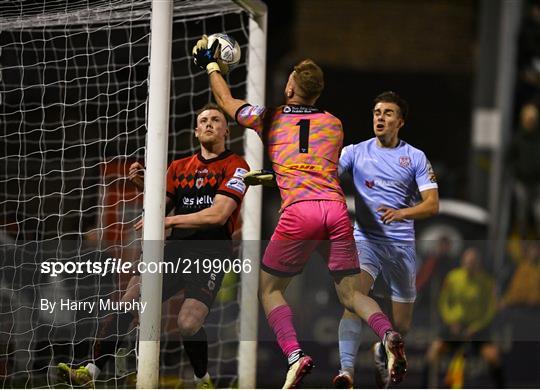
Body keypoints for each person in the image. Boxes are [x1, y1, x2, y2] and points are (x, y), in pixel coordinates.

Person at [193, 37, 406, 388]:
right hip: (336, 210)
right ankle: (387, 335)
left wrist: (212, 65)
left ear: (290, 86)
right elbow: (313, 163)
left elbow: (227, 101)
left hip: (300, 213)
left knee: (270, 289)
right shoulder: (334, 124)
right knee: (351, 294)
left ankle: (294, 356)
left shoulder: (270, 117)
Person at [57, 103, 250, 388]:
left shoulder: (237, 165)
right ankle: (90, 372)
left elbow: (218, 214)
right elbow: (161, 206)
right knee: (127, 303)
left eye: (216, 120)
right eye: (203, 120)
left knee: (187, 323)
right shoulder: (178, 167)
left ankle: (203, 380)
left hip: (211, 252)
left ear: (226, 129)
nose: (209, 124)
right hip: (174, 250)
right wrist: (143, 186)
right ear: (196, 132)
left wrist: (170, 222)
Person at [334, 91, 439, 388]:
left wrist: (402, 212)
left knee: (402, 324)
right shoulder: (355, 152)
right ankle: (346, 371)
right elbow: (327, 176)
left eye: (388, 113)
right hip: (365, 240)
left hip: (401, 246)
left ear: (400, 122)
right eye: (377, 112)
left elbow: (432, 204)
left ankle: (381, 349)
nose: (380, 117)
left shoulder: (415, 157)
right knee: (353, 298)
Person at [422, 247, 505, 388]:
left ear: (479, 263)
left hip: (477, 330)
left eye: (473, 262)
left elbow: (490, 309)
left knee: (493, 356)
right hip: (455, 327)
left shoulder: (487, 281)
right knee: (432, 353)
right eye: (467, 261)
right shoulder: (453, 277)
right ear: (462, 262)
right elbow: (443, 302)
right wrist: (451, 321)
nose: (470, 265)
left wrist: (476, 327)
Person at [508, 102, 540, 238]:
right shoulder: (517, 138)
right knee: (522, 213)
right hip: (521, 182)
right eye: (528, 120)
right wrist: (516, 171)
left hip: (538, 182)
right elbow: (509, 158)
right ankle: (523, 241)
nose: (530, 123)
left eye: (533, 120)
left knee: (538, 213)